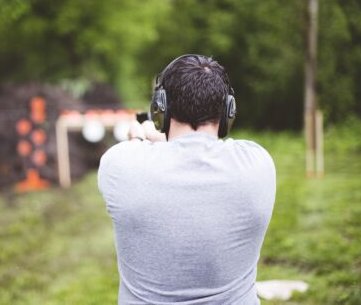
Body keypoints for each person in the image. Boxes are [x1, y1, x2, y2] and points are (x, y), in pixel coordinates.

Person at [98, 54, 276, 305]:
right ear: (228, 110)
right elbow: (201, 148)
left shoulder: (118, 163)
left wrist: (142, 136)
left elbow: (173, 149)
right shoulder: (258, 164)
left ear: (161, 107)